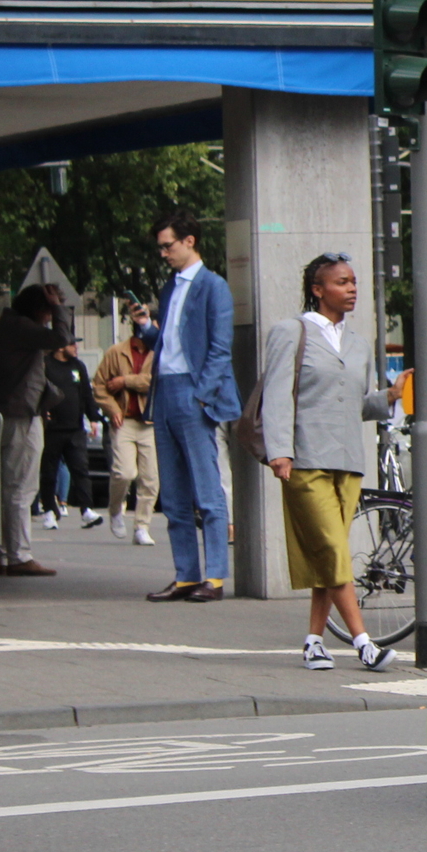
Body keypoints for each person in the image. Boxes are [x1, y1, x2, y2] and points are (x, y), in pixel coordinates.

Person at [261, 253, 395, 673]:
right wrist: (279, 449)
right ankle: (363, 643)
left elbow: (359, 405)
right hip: (304, 458)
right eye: (342, 282)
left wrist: (390, 396)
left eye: (354, 281)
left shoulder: (358, 344)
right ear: (318, 290)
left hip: (347, 461)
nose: (352, 288)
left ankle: (314, 642)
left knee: (326, 554)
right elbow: (277, 393)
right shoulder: (291, 332)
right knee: (333, 550)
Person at [148, 212, 240, 603]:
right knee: (172, 494)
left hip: (192, 390)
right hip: (165, 391)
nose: (164, 253)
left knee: (207, 491)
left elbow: (220, 347)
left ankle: (215, 576)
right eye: (161, 248)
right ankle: (186, 574)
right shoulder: (171, 287)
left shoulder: (212, 285)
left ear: (189, 241)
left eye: (168, 245)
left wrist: (201, 394)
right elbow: (170, 339)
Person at [0, 285, 62, 578]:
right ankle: (18, 555)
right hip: (20, 414)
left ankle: (8, 553)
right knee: (21, 487)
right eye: (48, 309)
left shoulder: (7, 326)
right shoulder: (21, 327)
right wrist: (58, 309)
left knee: (9, 486)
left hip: (10, 411)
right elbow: (60, 339)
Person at [93, 302, 160, 544]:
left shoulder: (159, 353)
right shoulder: (116, 352)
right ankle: (115, 509)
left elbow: (156, 382)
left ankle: (142, 526)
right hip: (125, 420)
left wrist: (125, 381)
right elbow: (99, 384)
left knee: (150, 478)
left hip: (151, 421)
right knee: (124, 472)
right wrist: (111, 408)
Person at [35, 341, 101, 530]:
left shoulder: (77, 366)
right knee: (49, 471)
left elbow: (87, 394)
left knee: (80, 469)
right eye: (73, 344)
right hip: (52, 429)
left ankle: (87, 509)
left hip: (75, 428)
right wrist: (41, 410)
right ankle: (48, 510)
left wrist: (93, 418)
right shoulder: (45, 364)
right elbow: (37, 390)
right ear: (61, 346)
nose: (77, 347)